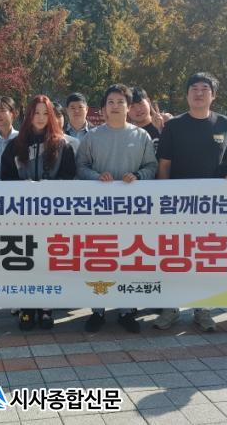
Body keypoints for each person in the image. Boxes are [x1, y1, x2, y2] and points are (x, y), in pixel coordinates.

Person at [155, 72, 227, 333]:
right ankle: (170, 308)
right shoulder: (174, 126)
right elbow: (164, 165)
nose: (199, 93)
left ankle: (202, 310)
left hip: (211, 208)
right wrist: (164, 200)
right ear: (187, 94)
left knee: (204, 259)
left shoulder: (223, 124)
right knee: (174, 258)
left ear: (213, 95)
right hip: (177, 206)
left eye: (205, 88)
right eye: (194, 88)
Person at [76, 84, 158, 333]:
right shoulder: (92, 137)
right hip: (99, 212)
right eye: (110, 102)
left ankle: (126, 310)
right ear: (103, 108)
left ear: (128, 107)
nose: (115, 106)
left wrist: (138, 176)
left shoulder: (141, 136)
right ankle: (97, 310)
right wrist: (96, 177)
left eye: (120, 102)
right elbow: (80, 167)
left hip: (131, 212)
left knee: (128, 257)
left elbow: (151, 166)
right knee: (100, 257)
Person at [1, 95, 77, 330]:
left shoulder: (62, 145)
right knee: (24, 260)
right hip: (22, 216)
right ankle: (26, 306)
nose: (41, 118)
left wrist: (49, 188)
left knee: (47, 262)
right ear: (29, 115)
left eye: (46, 113)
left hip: (52, 217)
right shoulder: (15, 145)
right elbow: (6, 179)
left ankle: (46, 307)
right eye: (37, 113)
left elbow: (70, 177)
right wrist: (22, 188)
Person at [128, 87, 172, 154]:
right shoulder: (126, 133)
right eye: (132, 106)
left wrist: (161, 129)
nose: (138, 109)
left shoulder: (166, 122)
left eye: (140, 103)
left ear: (148, 101)